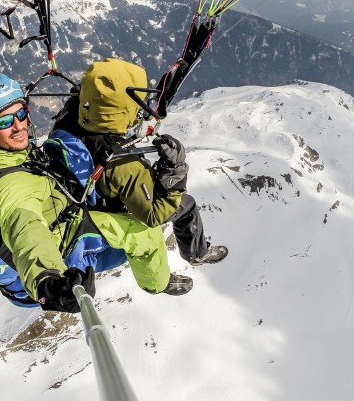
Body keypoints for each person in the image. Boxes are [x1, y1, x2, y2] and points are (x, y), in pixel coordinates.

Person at [0, 70, 190, 311]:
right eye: (5, 121)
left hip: (62, 206)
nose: (19, 126)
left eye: (21, 113)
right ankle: (159, 283)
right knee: (146, 234)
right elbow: (24, 226)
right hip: (66, 241)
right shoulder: (9, 186)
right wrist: (48, 281)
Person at [49, 58, 228, 286]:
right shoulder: (125, 166)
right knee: (186, 205)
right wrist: (175, 171)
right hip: (109, 211)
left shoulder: (67, 119)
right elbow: (156, 215)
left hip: (77, 191)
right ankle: (196, 254)